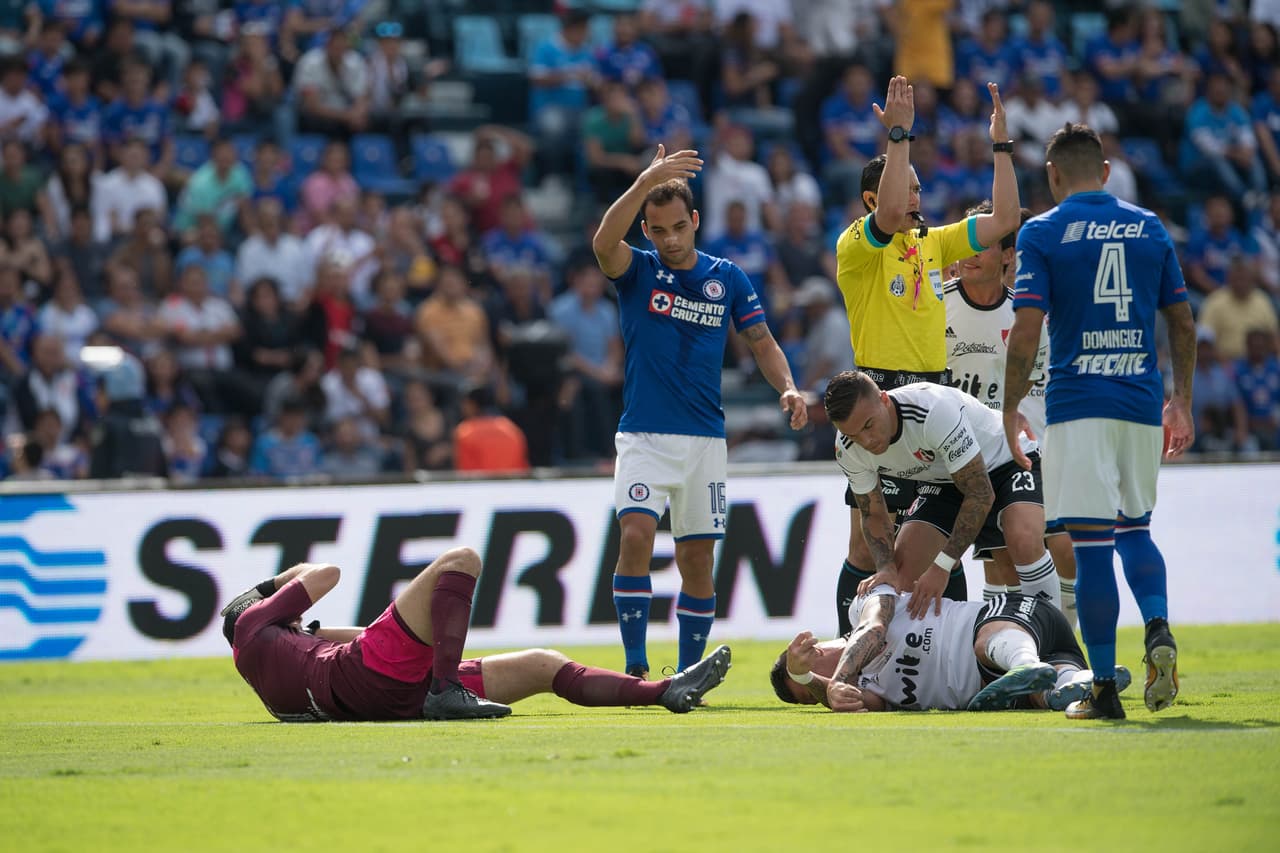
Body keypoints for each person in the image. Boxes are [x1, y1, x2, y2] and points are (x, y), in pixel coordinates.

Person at [1003, 122, 1196, 720]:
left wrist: (1010, 410)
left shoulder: (1043, 231)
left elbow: (1028, 332)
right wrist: (1181, 402)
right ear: (1107, 172)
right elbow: (1184, 322)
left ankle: (1104, 691)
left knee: (1091, 550)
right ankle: (1158, 627)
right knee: (1136, 530)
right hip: (1141, 402)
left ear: (1053, 175)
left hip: (1078, 406)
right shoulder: (1149, 226)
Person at [592, 144, 807, 678]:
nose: (668, 239)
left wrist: (788, 387)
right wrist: (642, 183)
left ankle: (689, 672)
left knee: (696, 561)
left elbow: (760, 340)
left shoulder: (727, 277)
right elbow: (601, 242)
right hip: (643, 436)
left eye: (676, 228)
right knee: (636, 536)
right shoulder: (637, 272)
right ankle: (636, 669)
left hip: (706, 442)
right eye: (657, 230)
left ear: (694, 221)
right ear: (647, 231)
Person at [831, 75, 1021, 635]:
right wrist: (898, 135)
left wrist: (1002, 147)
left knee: (944, 542)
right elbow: (888, 217)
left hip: (935, 401)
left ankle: (950, 647)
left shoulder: (935, 243)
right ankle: (848, 646)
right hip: (878, 400)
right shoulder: (856, 248)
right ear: (873, 198)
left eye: (917, 187)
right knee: (869, 545)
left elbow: (1005, 221)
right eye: (906, 187)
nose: (916, 196)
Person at [220, 548, 732, 721]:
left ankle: (664, 692)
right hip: (381, 679)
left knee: (540, 664)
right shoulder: (250, 623)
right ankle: (448, 689)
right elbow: (326, 572)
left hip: (383, 695)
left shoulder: (270, 663)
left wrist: (434, 645)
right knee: (461, 561)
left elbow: (351, 637)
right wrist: (271, 584)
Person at [824, 370, 1058, 622]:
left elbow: (980, 493)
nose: (866, 441)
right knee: (901, 580)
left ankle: (1057, 645)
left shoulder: (931, 410)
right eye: (854, 435)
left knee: (1022, 540)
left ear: (884, 399)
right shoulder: (847, 448)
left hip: (1006, 460)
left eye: (869, 425)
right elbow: (873, 513)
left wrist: (942, 566)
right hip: (945, 481)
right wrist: (885, 568)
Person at [942, 203, 1075, 625]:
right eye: (965, 241)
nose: (969, 251)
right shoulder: (934, 309)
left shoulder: (1032, 318)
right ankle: (1012, 658)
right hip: (964, 459)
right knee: (999, 562)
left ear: (1007, 256)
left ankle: (1063, 651)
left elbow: (1051, 389)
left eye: (982, 243)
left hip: (1030, 454)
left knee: (1063, 550)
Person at [771, 585, 1131, 713]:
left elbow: (875, 627)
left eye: (810, 681)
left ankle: (1026, 664)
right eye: (810, 696)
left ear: (813, 647)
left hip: (1011, 620)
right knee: (1045, 695)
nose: (818, 692)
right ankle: (1091, 680)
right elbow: (859, 701)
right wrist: (808, 679)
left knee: (985, 644)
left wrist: (819, 678)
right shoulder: (869, 695)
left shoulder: (861, 607)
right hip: (991, 685)